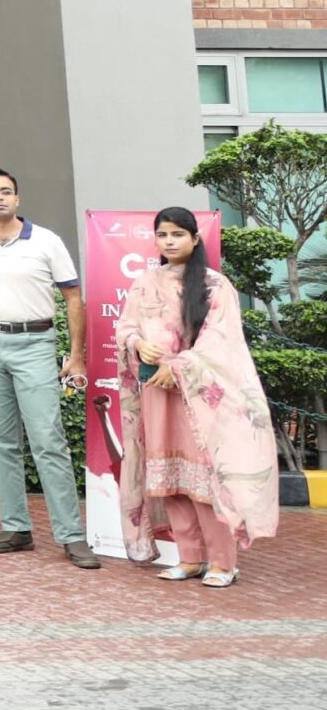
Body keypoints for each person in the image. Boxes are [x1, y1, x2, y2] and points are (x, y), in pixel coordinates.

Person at [113, 208, 279, 589]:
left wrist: (180, 366)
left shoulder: (214, 285)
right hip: (156, 390)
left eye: (177, 234)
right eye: (162, 235)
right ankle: (189, 558)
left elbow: (221, 339)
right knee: (168, 478)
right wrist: (137, 343)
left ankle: (223, 562)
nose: (169, 241)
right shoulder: (145, 282)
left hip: (198, 396)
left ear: (195, 238)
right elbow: (126, 326)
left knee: (203, 481)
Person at [0, 168, 98, 568]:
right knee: (0, 441)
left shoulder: (46, 241)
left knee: (47, 439)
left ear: (18, 199)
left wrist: (76, 354)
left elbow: (74, 298)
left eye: (6, 192)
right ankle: (16, 527)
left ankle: (72, 536)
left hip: (35, 343)